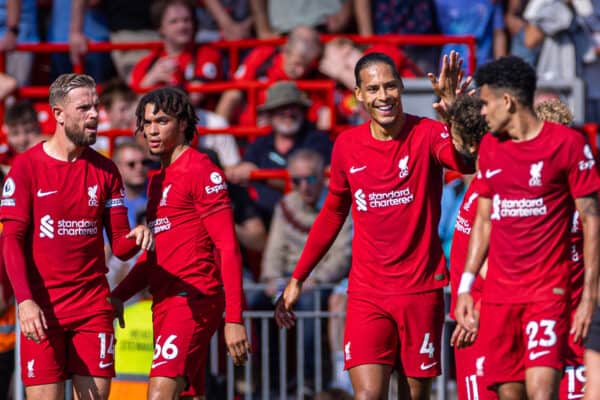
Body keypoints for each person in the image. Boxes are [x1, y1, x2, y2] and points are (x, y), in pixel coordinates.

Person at [275, 51, 474, 399]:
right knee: (368, 395)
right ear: (360, 95)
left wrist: (456, 116)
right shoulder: (347, 146)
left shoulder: (428, 133)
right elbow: (332, 214)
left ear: (400, 88)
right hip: (368, 293)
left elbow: (464, 162)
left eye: (390, 86)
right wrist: (297, 279)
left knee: (414, 395)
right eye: (374, 88)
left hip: (420, 290)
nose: (384, 96)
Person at [0, 73, 153, 400]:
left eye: (96, 106)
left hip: (92, 309)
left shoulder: (107, 170)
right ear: (58, 114)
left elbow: (122, 248)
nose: (95, 114)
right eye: (84, 108)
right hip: (42, 310)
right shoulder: (26, 168)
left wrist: (139, 235)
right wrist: (24, 301)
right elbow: (10, 241)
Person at [455, 56, 600, 400]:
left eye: (486, 103)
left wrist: (590, 296)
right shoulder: (490, 148)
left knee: (541, 390)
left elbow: (592, 219)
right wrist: (466, 286)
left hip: (545, 295)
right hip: (500, 299)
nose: (483, 113)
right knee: (509, 392)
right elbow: (484, 220)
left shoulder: (566, 145)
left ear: (507, 101)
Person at [110, 87, 251, 399]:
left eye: (161, 121)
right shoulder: (158, 180)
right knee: (189, 395)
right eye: (146, 123)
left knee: (159, 394)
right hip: (164, 302)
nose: (151, 130)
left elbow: (228, 247)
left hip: (192, 301)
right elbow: (156, 255)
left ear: (184, 123)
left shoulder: (201, 170)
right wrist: (119, 295)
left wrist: (235, 319)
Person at [255, 148, 351, 386]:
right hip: (290, 278)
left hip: (323, 280)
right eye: (297, 180)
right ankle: (272, 378)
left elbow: (343, 254)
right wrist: (271, 279)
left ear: (322, 176)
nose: (304, 186)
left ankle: (310, 378)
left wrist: (315, 280)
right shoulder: (286, 205)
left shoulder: (339, 203)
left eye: (309, 179)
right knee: (258, 301)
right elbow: (274, 249)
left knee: (308, 305)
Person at [227, 81, 332, 225]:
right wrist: (240, 171)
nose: (288, 114)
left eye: (292, 107)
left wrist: (259, 175)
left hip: (306, 217)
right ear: (270, 115)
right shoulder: (261, 143)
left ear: (302, 110)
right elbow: (242, 168)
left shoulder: (317, 140)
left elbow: (317, 183)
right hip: (264, 217)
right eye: (281, 108)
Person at [215, 25, 323, 126]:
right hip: (253, 124)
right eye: (297, 64)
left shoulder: (314, 73)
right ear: (286, 51)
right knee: (232, 94)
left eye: (306, 67)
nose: (301, 72)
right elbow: (235, 88)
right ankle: (217, 140)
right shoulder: (264, 56)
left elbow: (315, 113)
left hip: (293, 129)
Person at [129, 0, 224, 110]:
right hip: (155, 120)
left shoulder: (207, 54)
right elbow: (133, 107)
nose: (182, 26)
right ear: (160, 28)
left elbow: (194, 99)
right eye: (174, 21)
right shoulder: (146, 64)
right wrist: (151, 78)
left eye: (186, 20)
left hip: (198, 120)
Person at [0, 100, 44, 169]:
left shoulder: (52, 154)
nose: (22, 139)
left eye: (29, 131)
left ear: (39, 127)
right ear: (7, 132)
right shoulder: (4, 158)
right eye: (15, 134)